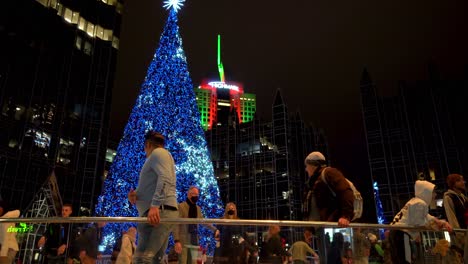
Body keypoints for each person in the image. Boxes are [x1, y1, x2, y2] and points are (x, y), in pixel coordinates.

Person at [128, 131, 179, 264]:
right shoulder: (161, 155)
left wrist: (155, 205)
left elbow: (165, 179)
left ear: (148, 144)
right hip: (160, 212)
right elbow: (161, 180)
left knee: (143, 259)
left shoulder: (158, 153)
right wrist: (137, 195)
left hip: (159, 213)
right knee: (153, 259)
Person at [389, 180, 452, 264]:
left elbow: (426, 217)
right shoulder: (420, 203)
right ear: (426, 192)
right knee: (405, 260)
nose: (435, 195)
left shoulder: (414, 201)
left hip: (395, 231)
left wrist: (439, 222)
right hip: (402, 233)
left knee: (398, 260)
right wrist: (433, 226)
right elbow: (418, 223)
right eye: (433, 192)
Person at [303, 151, 354, 227]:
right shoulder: (313, 182)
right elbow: (314, 208)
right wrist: (309, 229)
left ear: (312, 165)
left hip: (334, 224)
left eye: (306, 166)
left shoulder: (329, 173)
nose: (306, 169)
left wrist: (346, 216)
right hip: (323, 226)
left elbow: (345, 191)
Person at [173, 186, 219, 264]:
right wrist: (176, 240)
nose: (195, 196)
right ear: (188, 194)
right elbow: (176, 224)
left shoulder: (198, 208)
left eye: (197, 194)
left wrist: (214, 229)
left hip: (195, 240)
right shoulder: (181, 206)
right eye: (193, 193)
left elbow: (203, 221)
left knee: (195, 262)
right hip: (183, 241)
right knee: (183, 262)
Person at [443, 173, 468, 263]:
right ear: (453, 183)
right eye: (459, 180)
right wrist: (459, 234)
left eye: (462, 180)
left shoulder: (463, 197)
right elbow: (451, 217)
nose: (463, 182)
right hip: (460, 235)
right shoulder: (449, 197)